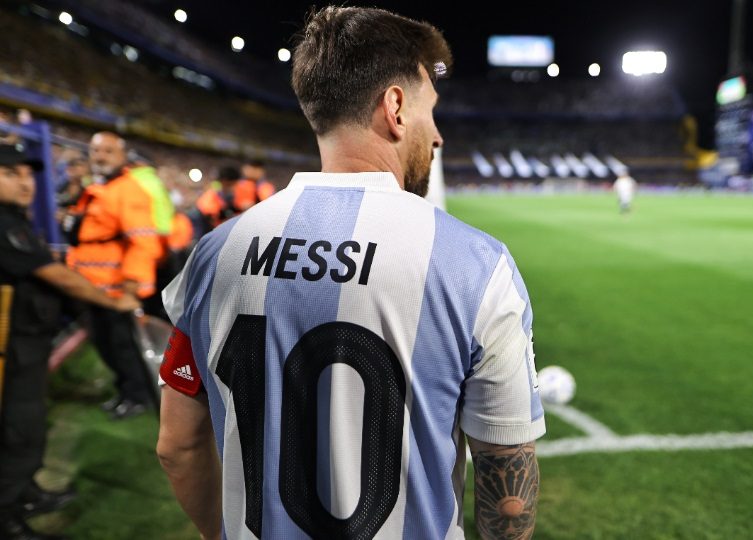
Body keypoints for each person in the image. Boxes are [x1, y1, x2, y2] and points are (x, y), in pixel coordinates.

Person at [156, 6, 544, 540]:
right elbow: (509, 494)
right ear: (397, 107)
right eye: (432, 111)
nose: (438, 136)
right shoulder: (476, 264)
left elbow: (176, 447)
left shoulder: (213, 253)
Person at [0, 144, 139, 540]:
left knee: (26, 423)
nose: (25, 182)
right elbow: (54, 274)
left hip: (26, 340)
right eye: (11, 173)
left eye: (27, 174)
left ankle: (26, 493)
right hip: (12, 346)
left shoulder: (13, 218)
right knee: (19, 427)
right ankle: (7, 519)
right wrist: (111, 300)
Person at [65, 132, 170, 419]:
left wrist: (132, 288)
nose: (99, 156)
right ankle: (125, 391)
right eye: (96, 150)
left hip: (116, 291)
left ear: (123, 156)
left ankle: (137, 397)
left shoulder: (128, 189)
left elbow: (143, 241)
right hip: (94, 288)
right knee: (107, 345)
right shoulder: (101, 187)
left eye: (108, 151)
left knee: (124, 348)